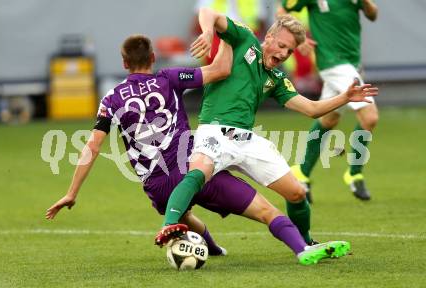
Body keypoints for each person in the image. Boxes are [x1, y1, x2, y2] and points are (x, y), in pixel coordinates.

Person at [46, 34, 351, 265]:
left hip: (157, 184)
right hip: (196, 164)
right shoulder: (169, 78)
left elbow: (92, 146)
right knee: (266, 211)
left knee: (185, 212)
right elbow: (220, 70)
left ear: (124, 63)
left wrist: (72, 192)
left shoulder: (111, 99)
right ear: (153, 57)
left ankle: (211, 248)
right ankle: (302, 249)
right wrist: (229, 38)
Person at [156, 8, 377, 248]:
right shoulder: (245, 40)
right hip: (214, 133)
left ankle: (307, 243)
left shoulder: (277, 79)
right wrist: (209, 33)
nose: (284, 53)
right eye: (281, 45)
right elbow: (210, 12)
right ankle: (169, 225)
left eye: (289, 51)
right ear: (268, 37)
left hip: (247, 141)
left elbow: (311, 109)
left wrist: (344, 97)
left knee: (297, 193)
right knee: (198, 173)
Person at [282, 0, 379, 202]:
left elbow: (372, 14)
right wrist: (299, 39)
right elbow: (283, 10)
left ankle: (302, 172)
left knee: (328, 120)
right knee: (369, 117)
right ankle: (354, 173)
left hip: (353, 63)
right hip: (332, 63)